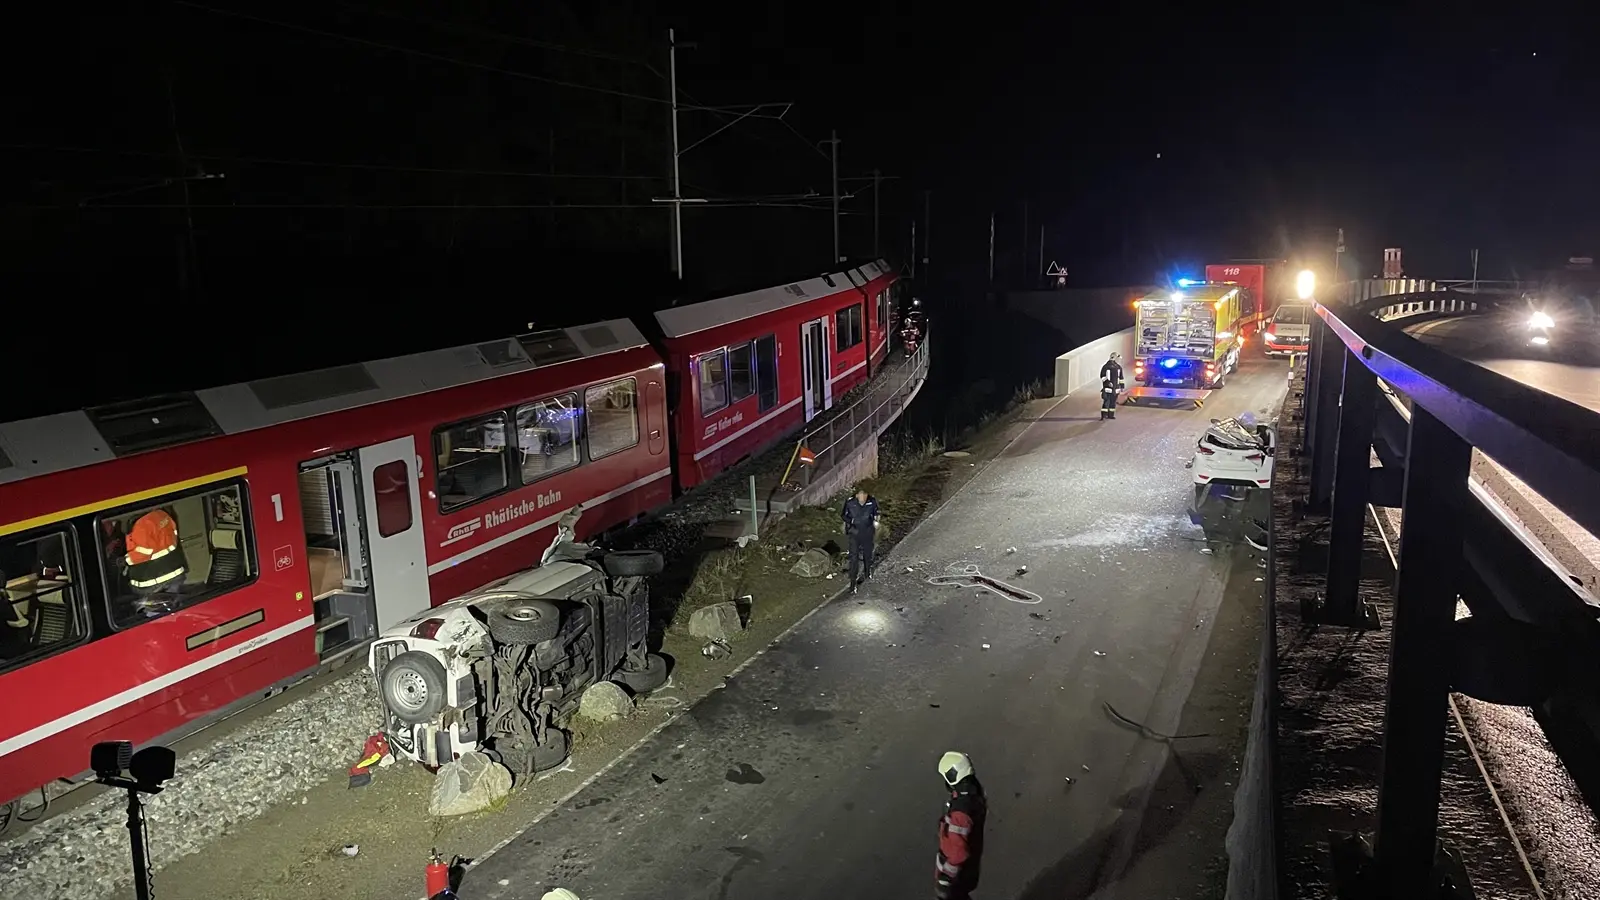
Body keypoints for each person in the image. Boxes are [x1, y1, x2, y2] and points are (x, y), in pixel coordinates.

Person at [935, 751, 986, 900]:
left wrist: (945, 879)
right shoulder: (973, 794)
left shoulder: (961, 813)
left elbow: (958, 853)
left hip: (957, 878)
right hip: (968, 871)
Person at [841, 487, 880, 593]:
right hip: (854, 533)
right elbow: (843, 515)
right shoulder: (850, 503)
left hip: (867, 532)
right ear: (857, 495)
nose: (863, 497)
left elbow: (876, 513)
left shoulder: (871, 501)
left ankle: (868, 571)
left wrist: (876, 522)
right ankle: (853, 583)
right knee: (854, 558)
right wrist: (851, 521)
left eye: (865, 494)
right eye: (861, 495)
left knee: (868, 554)